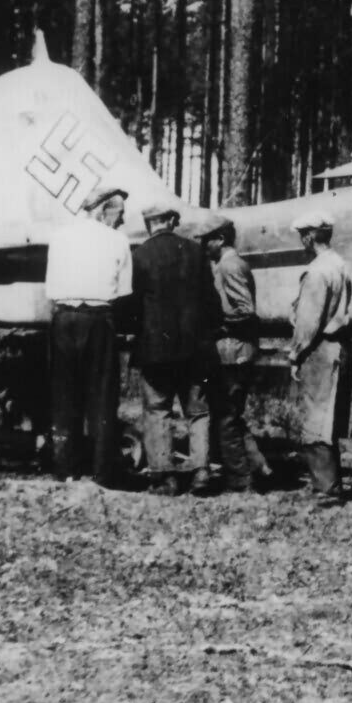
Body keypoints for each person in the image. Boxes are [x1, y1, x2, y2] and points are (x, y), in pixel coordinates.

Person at [131, 201, 222, 495]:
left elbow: (130, 307)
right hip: (195, 349)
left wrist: (137, 331)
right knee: (198, 412)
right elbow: (211, 302)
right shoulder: (196, 253)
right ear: (172, 221)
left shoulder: (139, 255)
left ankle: (164, 477)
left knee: (157, 410)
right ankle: (201, 472)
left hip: (154, 350)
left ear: (149, 224)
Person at [45, 185, 132, 485]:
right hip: (98, 319)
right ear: (104, 210)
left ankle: (65, 468)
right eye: (119, 214)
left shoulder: (58, 236)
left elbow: (51, 282)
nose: (121, 220)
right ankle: (101, 471)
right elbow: (123, 291)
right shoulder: (117, 240)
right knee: (102, 396)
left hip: (63, 318)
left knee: (64, 393)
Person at [197, 216, 269, 491]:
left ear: (221, 240)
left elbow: (245, 310)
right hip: (234, 351)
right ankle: (260, 466)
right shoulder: (227, 265)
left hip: (233, 352)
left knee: (226, 418)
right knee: (231, 415)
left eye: (207, 241)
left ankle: (240, 478)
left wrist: (217, 325)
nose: (205, 247)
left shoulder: (229, 266)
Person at [288, 211, 352, 501]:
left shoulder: (316, 271)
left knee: (317, 417)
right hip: (339, 345)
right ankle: (332, 481)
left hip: (320, 349)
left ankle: (326, 487)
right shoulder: (339, 264)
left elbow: (308, 322)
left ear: (310, 237)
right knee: (330, 415)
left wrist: (295, 354)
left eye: (303, 235)